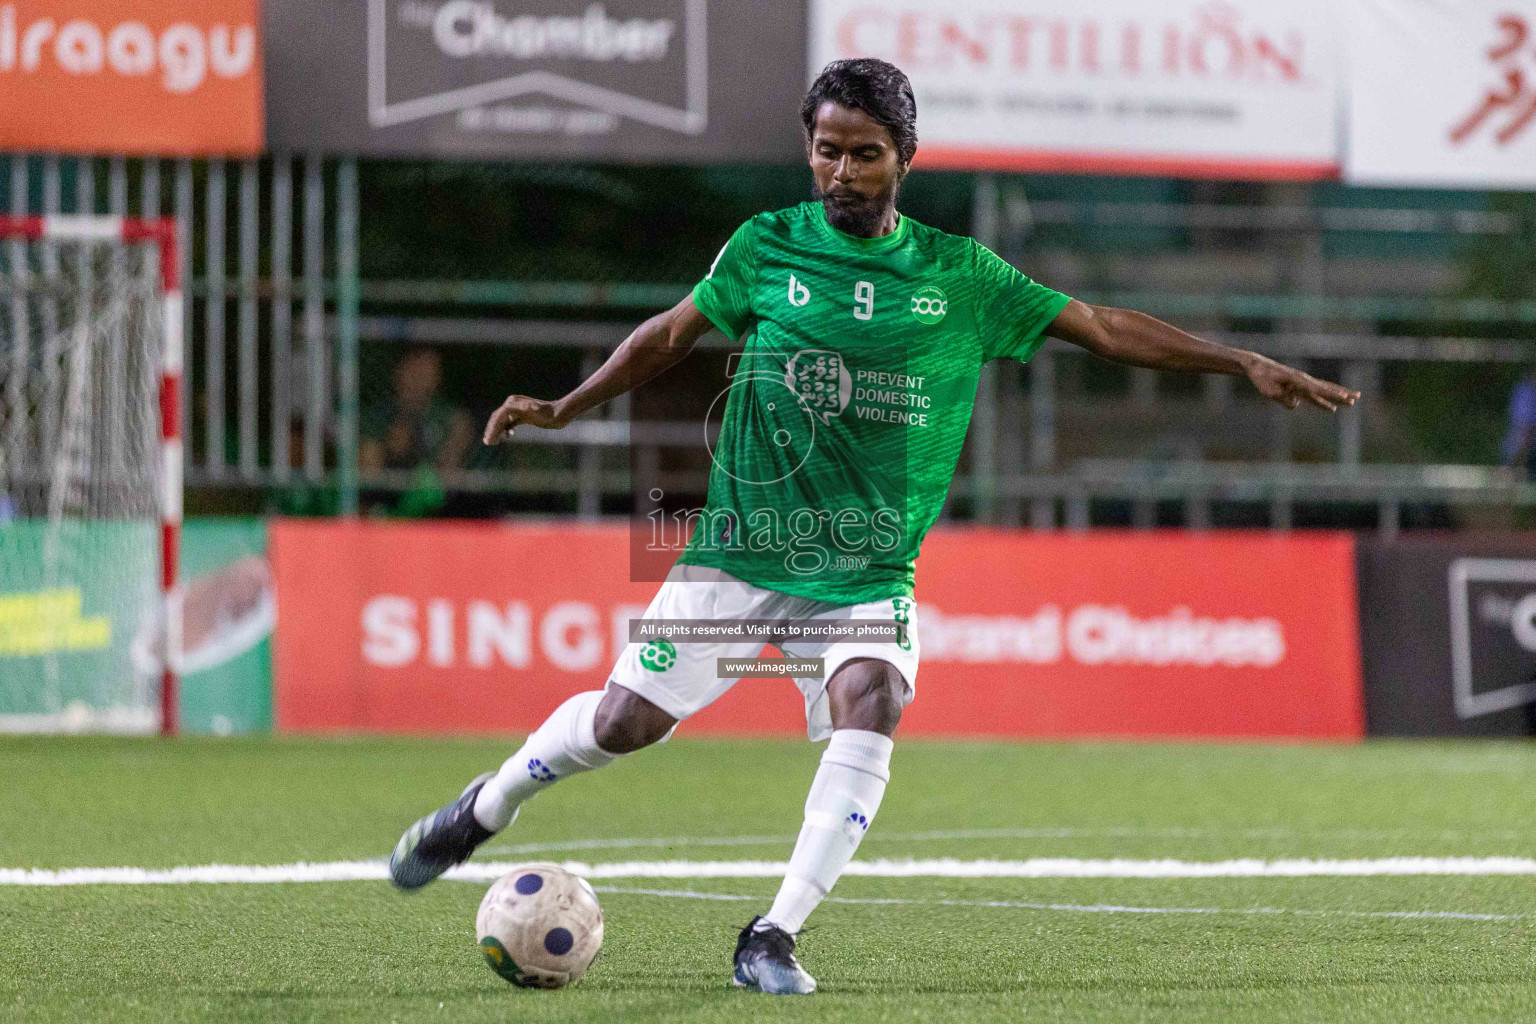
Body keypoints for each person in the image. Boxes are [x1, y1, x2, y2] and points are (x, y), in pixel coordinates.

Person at [388, 58, 1359, 994]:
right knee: (622, 723)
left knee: (875, 698)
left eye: (863, 154)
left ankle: (772, 933)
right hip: (740, 550)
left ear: (906, 157)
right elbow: (669, 335)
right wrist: (567, 405)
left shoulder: (962, 275)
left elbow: (1102, 325)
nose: (840, 172)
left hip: (867, 569)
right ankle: (488, 804)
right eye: (826, 150)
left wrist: (1237, 363)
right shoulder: (767, 244)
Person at [359, 347, 473, 514]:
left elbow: (447, 472)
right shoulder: (378, 415)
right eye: (414, 370)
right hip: (385, 496)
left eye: (427, 371)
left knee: (427, 482)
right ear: (398, 373)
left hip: (432, 500)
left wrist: (416, 452)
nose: (419, 378)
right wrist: (392, 453)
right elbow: (369, 474)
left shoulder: (453, 418)